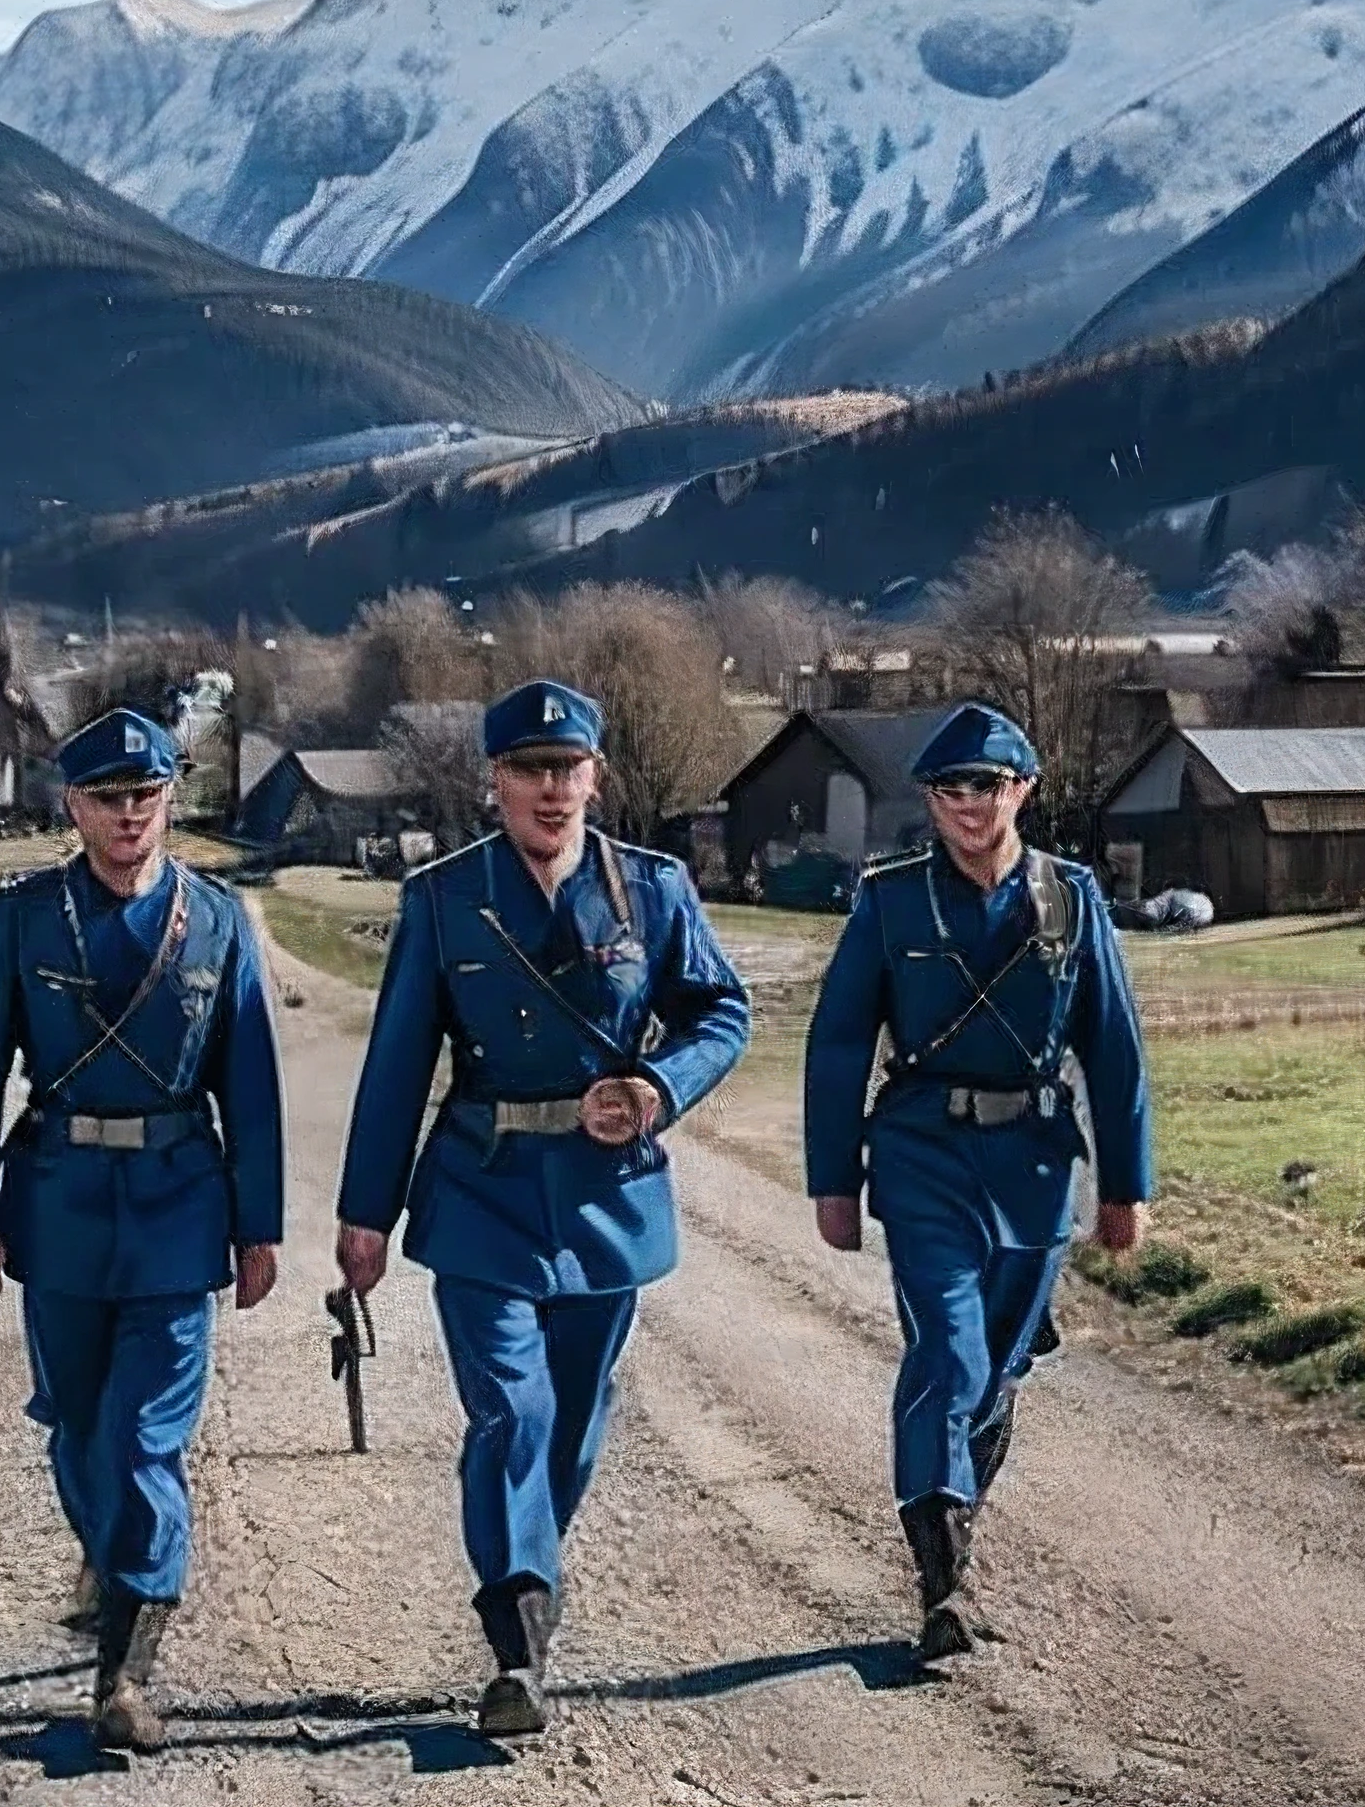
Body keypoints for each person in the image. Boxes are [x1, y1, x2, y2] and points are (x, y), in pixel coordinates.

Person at [334, 679, 753, 1738]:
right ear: (495, 782)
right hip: (482, 1188)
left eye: (568, 770)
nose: (551, 789)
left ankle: (533, 1568)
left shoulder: (651, 891)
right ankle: (516, 1635)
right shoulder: (443, 898)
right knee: (508, 1410)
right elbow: (396, 1064)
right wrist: (364, 1215)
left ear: (594, 778)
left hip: (606, 1198)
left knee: (571, 1419)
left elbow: (721, 1010)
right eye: (529, 770)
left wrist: (659, 1086)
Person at [0, 708, 286, 1759]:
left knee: (145, 1439)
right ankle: (113, 1555)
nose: (128, 815)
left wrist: (258, 1229)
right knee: (78, 1426)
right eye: (105, 797)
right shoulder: (24, 919)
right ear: (72, 805)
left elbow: (252, 1090)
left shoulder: (218, 922)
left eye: (146, 795)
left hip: (180, 1205)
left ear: (169, 799)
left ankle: (124, 1669)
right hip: (61, 1201)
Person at [800, 702, 1152, 1664]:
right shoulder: (891, 900)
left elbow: (1113, 1052)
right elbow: (838, 1044)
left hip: (1035, 1165)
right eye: (950, 789)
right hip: (922, 1157)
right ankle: (941, 1583)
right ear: (930, 799)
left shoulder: (1071, 901)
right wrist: (833, 1179)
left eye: (986, 786)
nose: (968, 805)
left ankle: (957, 1519)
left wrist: (1126, 1187)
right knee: (949, 1357)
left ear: (1021, 791)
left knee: (996, 1370)